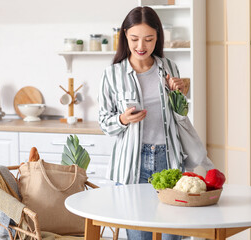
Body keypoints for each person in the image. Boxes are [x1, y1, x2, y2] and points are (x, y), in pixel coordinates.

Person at [98, 6, 186, 240]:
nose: (141, 46)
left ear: (157, 37)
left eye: (149, 39)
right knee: (139, 235)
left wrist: (179, 95)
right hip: (132, 163)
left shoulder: (169, 68)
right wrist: (123, 119)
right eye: (134, 39)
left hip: (169, 158)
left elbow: (181, 116)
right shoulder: (112, 74)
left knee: (173, 234)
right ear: (125, 35)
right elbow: (104, 122)